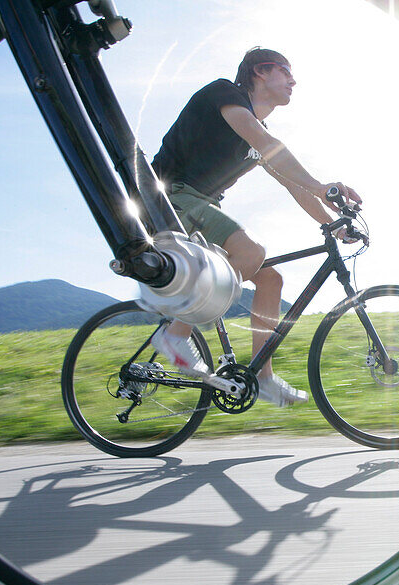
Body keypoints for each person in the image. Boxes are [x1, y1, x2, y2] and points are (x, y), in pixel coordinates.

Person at [150, 47, 361, 406]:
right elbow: (266, 143)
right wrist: (323, 186)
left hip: (199, 205)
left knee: (270, 278)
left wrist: (333, 224)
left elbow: (291, 184)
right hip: (169, 198)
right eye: (285, 71)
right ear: (261, 72)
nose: (293, 80)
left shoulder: (259, 128)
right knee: (251, 251)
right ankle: (175, 333)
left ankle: (262, 378)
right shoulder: (226, 95)